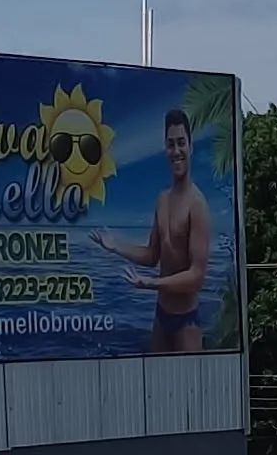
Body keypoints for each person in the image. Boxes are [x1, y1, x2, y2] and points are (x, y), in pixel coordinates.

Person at [91, 105, 215, 351]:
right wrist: (116, 246)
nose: (176, 150)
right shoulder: (162, 200)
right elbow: (152, 255)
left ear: (191, 147)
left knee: (189, 388)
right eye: (171, 144)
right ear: (165, 149)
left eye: (181, 143)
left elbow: (196, 277)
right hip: (161, 316)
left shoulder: (197, 204)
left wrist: (151, 284)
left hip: (186, 321)